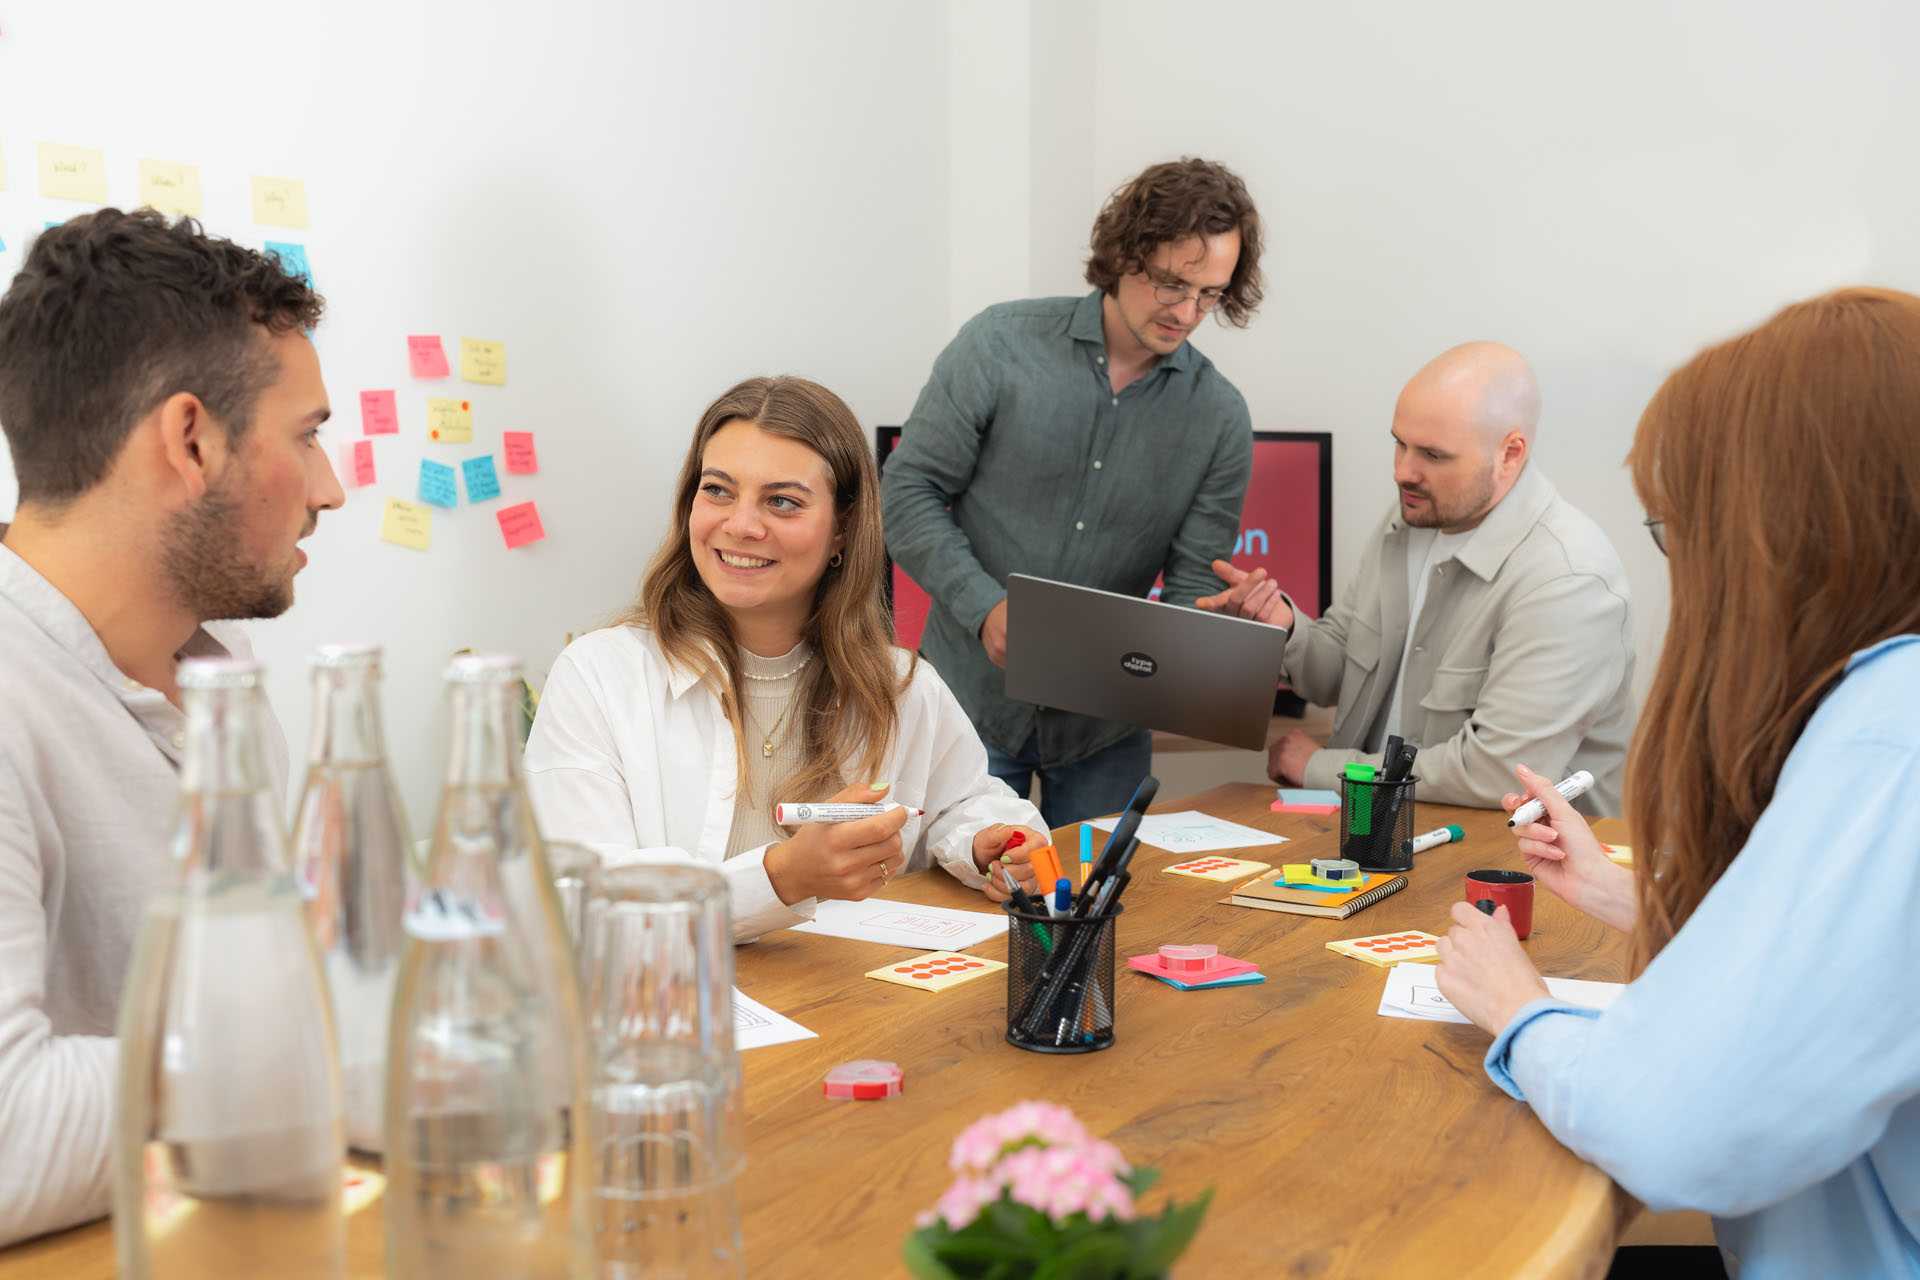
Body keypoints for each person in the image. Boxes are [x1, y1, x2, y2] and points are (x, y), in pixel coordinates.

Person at [1435, 288, 1920, 1278]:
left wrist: (1521, 1012)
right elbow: (1857, 968)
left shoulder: (1891, 728)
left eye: (1685, 527)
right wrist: (1638, 897)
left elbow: (1681, 1124)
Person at [0, 209, 339, 1244]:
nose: (330, 489)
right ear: (191, 438)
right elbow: (9, 1137)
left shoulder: (222, 691)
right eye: (309, 437)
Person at [525, 376, 1047, 941]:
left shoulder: (901, 684)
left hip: (849, 1005)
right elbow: (582, 896)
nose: (741, 525)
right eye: (718, 490)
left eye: (782, 501)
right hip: (668, 1004)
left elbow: (966, 801)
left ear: (844, 529)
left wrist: (990, 842)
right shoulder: (599, 675)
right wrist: (782, 877)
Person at [882, 158, 1262, 829]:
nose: (1187, 313)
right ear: (1124, 253)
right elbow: (906, 493)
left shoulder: (1220, 418)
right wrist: (985, 607)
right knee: (947, 908)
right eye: (1173, 283)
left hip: (1105, 735)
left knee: (1100, 916)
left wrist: (1195, 655)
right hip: (965, 706)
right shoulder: (999, 344)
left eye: (1211, 294)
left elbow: (1192, 583)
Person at [1199, 342, 1633, 814]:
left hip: (1503, 866)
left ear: (1510, 453)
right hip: (1374, 833)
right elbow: (1337, 676)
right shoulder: (1413, 517)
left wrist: (1321, 768)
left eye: (1433, 454)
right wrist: (1281, 625)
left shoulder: (1567, 579)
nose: (1403, 471)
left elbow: (1496, 775)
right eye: (1399, 443)